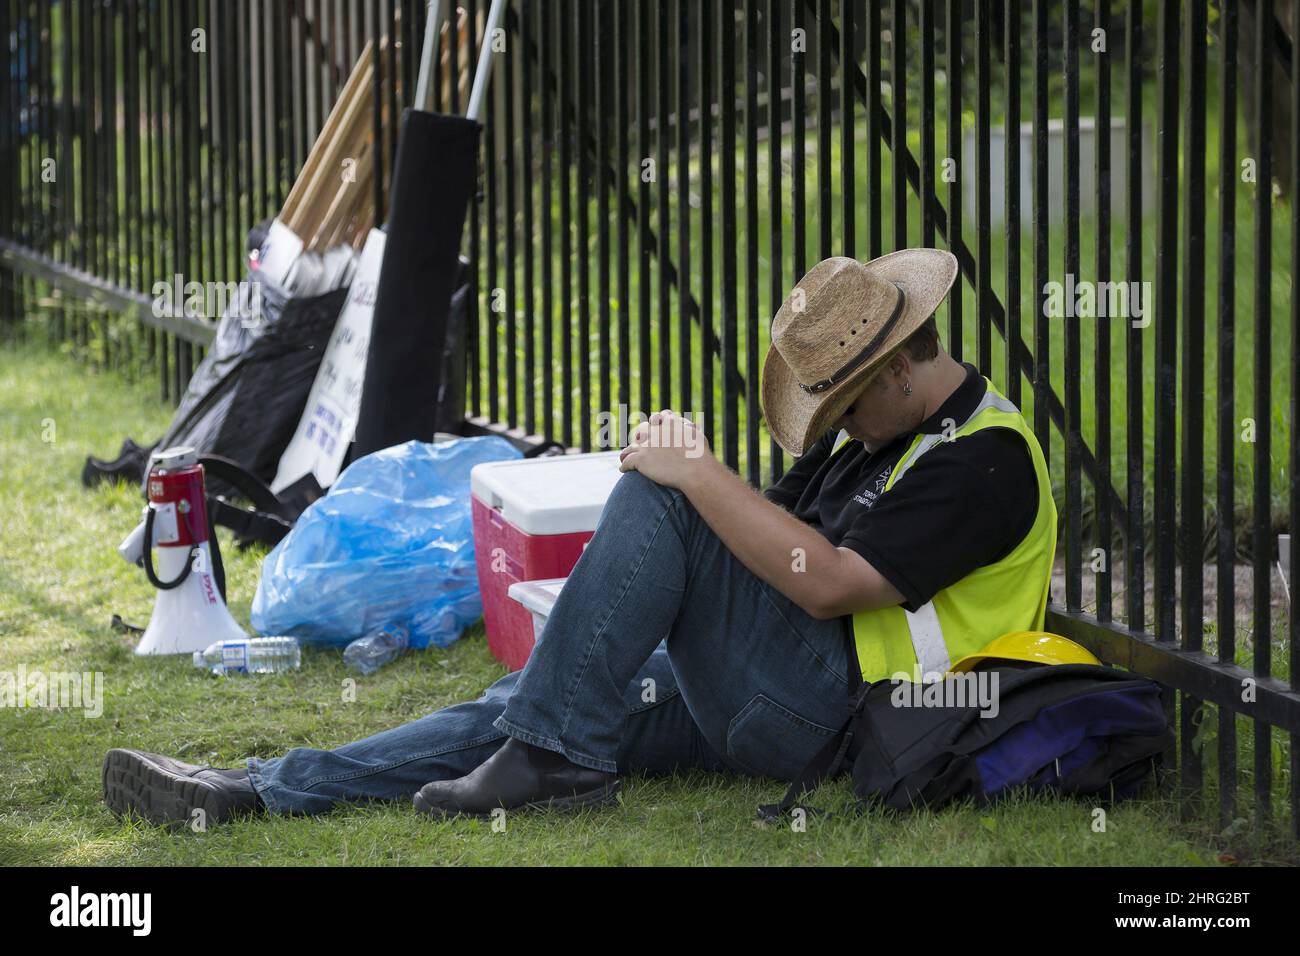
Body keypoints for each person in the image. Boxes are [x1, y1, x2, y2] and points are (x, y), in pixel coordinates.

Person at [102, 249, 1055, 826]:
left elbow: (831, 583)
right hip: (786, 685)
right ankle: (255, 789)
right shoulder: (886, 434)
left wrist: (701, 479)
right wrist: (695, 498)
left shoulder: (986, 460)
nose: (837, 426)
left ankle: (555, 758)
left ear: (897, 371)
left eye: (844, 406)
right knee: (524, 701)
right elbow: (771, 544)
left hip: (846, 719)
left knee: (668, 495)